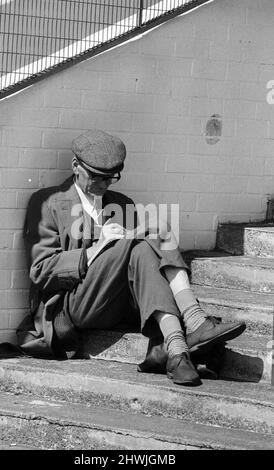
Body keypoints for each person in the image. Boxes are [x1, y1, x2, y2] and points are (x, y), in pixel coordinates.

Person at [17, 129, 246, 386]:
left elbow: (143, 264)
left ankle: (178, 349)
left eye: (110, 178)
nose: (103, 184)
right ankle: (194, 321)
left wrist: (128, 239)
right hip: (74, 305)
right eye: (96, 176)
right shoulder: (47, 202)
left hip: (119, 304)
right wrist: (99, 246)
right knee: (148, 233)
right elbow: (40, 271)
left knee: (148, 243)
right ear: (75, 167)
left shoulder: (122, 204)